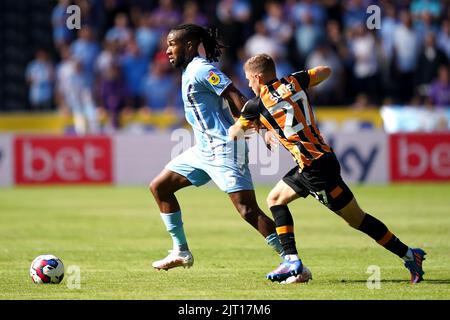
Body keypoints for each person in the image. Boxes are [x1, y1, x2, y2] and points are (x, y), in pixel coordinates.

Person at [229, 53, 426, 284]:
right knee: (276, 199)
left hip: (315, 170)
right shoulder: (294, 81)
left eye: (249, 80)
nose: (249, 85)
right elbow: (325, 70)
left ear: (258, 77)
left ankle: (408, 254)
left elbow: (234, 134)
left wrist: (249, 122)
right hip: (320, 160)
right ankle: (293, 261)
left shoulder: (256, 105)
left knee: (357, 219)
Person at [149, 24, 286, 272]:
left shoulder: (203, 69)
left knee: (247, 210)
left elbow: (237, 97)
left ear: (189, 45)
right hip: (202, 150)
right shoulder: (190, 70)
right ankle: (180, 251)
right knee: (160, 187)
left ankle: (292, 260)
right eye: (168, 44)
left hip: (225, 148)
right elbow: (230, 103)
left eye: (172, 44)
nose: (168, 50)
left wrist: (263, 129)